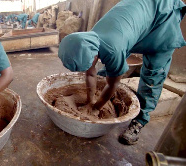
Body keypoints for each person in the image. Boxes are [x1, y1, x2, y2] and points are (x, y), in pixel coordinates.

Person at [58, 0, 186, 145]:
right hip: (138, 18)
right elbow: (90, 73)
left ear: (93, 53)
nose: (89, 67)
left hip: (163, 16)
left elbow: (113, 83)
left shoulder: (113, 48)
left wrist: (96, 108)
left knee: (153, 72)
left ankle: (139, 120)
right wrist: (89, 101)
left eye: (89, 63)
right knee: (108, 70)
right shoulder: (89, 39)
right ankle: (104, 96)